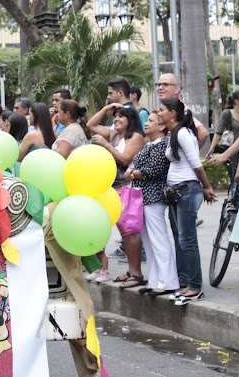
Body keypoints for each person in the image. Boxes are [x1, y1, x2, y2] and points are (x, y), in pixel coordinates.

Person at [157, 99, 216, 304]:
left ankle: (195, 286)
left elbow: (196, 164)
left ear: (172, 113)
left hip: (187, 191)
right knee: (182, 239)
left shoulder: (183, 133)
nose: (158, 113)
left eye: (162, 110)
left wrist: (207, 187)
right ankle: (189, 283)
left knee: (187, 240)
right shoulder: (175, 133)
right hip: (177, 191)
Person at [89, 103, 146, 283]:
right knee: (123, 233)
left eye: (121, 116)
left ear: (131, 119)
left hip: (126, 187)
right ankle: (130, 271)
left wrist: (106, 145)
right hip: (111, 188)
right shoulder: (114, 134)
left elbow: (125, 159)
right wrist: (106, 109)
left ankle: (136, 273)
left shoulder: (135, 137)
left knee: (129, 232)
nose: (116, 119)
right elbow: (91, 125)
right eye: (114, 116)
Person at [127, 112, 177, 296]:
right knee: (148, 241)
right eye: (146, 121)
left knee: (158, 239)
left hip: (154, 195)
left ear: (162, 126)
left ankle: (168, 280)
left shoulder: (163, 144)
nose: (146, 123)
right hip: (143, 196)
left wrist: (133, 173)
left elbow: (155, 170)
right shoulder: (149, 144)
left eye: (151, 121)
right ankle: (156, 279)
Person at [156, 73, 210, 147]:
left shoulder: (180, 109)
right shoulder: (167, 108)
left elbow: (203, 133)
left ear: (176, 89)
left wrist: (188, 151)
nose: (160, 88)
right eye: (158, 85)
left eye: (165, 84)